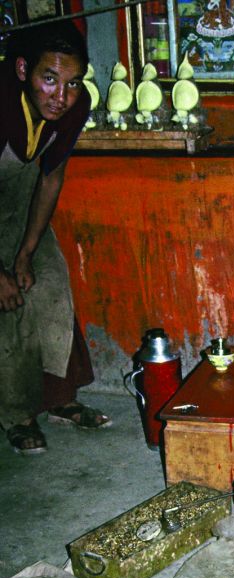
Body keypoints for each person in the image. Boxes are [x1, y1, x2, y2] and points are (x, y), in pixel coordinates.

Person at [0, 18, 110, 455]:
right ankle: (17, 416)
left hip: (25, 202)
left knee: (49, 284)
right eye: (50, 79)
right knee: (9, 304)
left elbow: (51, 177)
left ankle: (61, 399)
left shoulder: (73, 106)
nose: (61, 97)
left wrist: (26, 252)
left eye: (72, 83)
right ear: (23, 69)